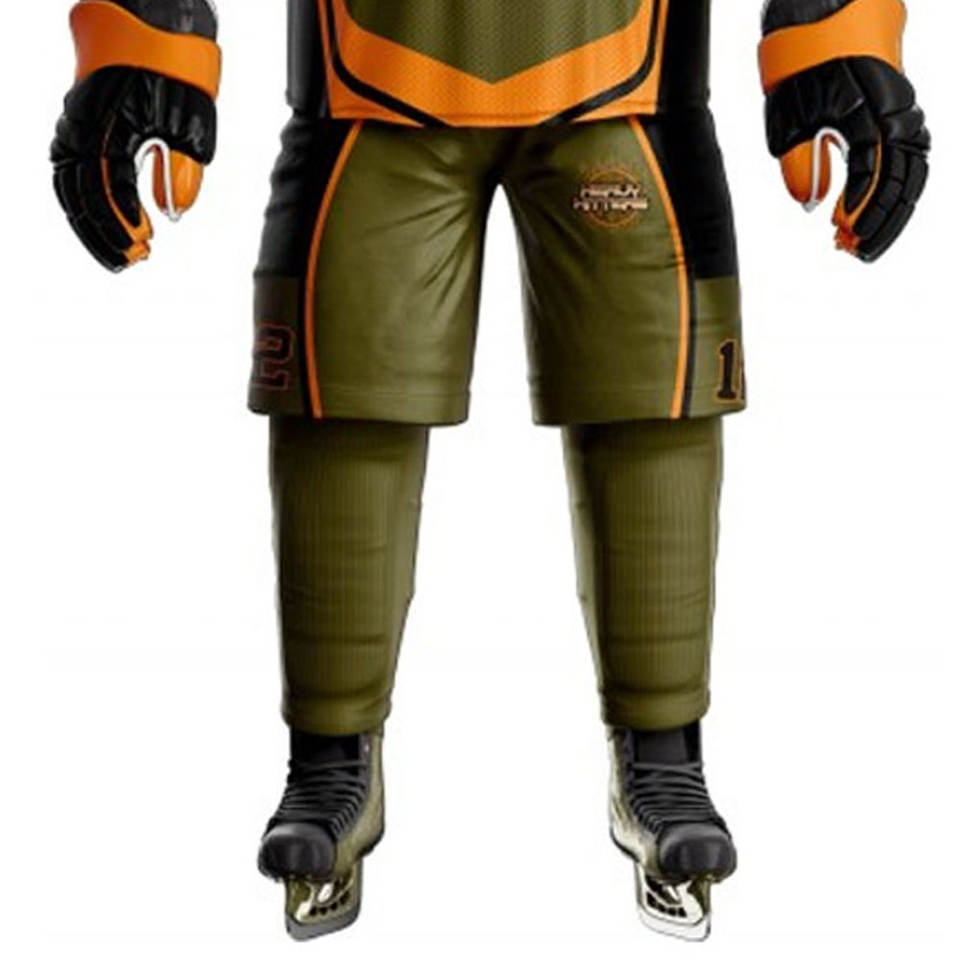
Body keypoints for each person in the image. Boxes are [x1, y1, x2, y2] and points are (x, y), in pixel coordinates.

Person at [51, 0, 930, 941]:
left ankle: (663, 759)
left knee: (650, 382)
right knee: (347, 380)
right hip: (380, 78)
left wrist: (834, 27)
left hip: (611, 79)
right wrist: (147, 28)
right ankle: (332, 764)